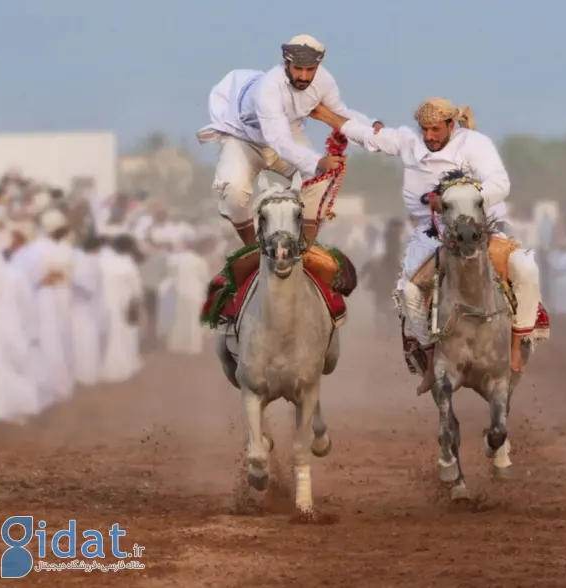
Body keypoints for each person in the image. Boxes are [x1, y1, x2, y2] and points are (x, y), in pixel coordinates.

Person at [309, 98, 546, 394]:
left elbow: (500, 184)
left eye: (435, 129)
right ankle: (431, 361)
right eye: (425, 130)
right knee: (409, 291)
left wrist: (453, 199)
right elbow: (369, 135)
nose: (430, 136)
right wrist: (326, 116)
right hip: (433, 234)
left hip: (484, 229)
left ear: (450, 125)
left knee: (525, 267)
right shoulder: (409, 142)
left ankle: (517, 343)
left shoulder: (474, 143)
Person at [197, 34, 383, 246]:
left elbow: (339, 113)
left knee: (320, 180)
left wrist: (372, 127)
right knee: (233, 190)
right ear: (286, 63)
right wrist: (316, 162)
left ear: (318, 66)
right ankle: (251, 249)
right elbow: (278, 140)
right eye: (298, 69)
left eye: (310, 70)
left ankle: (306, 249)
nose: (304, 76)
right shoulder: (269, 87)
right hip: (244, 140)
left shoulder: (324, 81)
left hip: (289, 134)